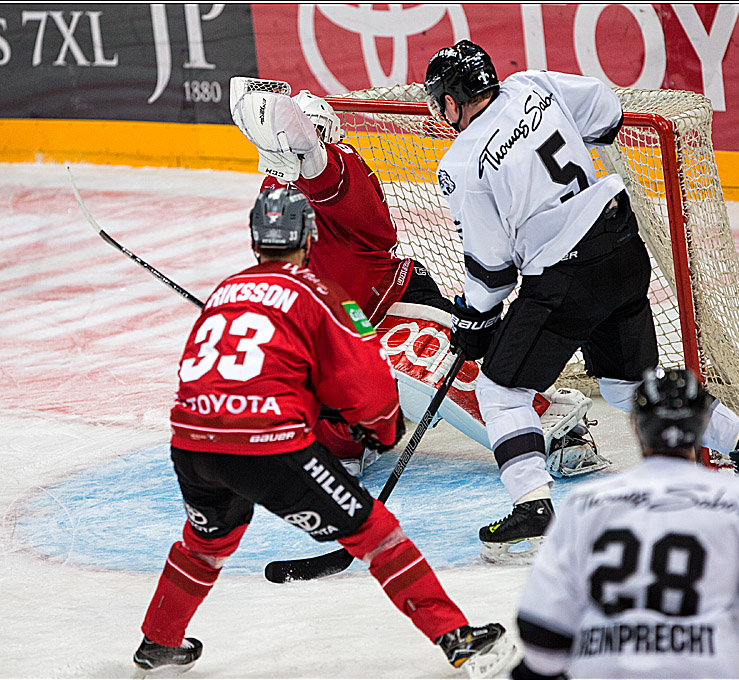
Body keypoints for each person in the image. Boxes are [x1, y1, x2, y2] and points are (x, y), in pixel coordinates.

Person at [424, 40, 739, 563]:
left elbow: (492, 267)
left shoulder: (461, 163)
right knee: (632, 386)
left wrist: (476, 320)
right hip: (621, 244)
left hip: (567, 272)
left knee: (502, 390)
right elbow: (605, 109)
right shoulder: (532, 84)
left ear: (451, 101)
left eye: (439, 101)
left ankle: (533, 509)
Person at [132, 188, 516, 678]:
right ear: (309, 237)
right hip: (265, 444)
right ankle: (459, 642)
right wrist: (381, 429)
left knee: (207, 540)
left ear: (256, 240)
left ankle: (160, 641)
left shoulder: (225, 291)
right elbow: (367, 379)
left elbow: (199, 370)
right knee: (375, 533)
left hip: (191, 442)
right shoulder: (322, 292)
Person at [229, 78, 604, 483]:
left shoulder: (341, 164)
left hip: (390, 304)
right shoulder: (273, 189)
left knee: (443, 363)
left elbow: (326, 177)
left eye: (316, 135)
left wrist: (307, 149)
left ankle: (557, 427)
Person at [512, 367, 739, 679]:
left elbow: (543, 633)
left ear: (636, 426)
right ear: (703, 425)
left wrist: (542, 672)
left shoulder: (585, 505)